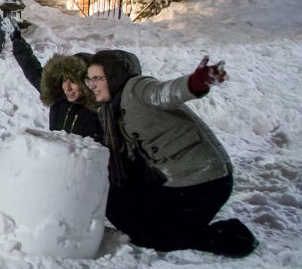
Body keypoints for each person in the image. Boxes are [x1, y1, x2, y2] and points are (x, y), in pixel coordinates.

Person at [85, 50, 256, 257]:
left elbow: (164, 93)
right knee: (123, 209)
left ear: (114, 76)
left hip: (204, 182)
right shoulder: (115, 108)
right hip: (174, 180)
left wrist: (194, 83)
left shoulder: (136, 88)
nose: (91, 85)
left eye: (97, 78)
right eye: (89, 79)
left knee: (156, 236)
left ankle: (232, 236)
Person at [9, 29, 102, 142]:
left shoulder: (100, 111)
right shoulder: (57, 96)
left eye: (73, 81)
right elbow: (32, 68)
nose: (67, 88)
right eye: (64, 79)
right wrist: (17, 40)